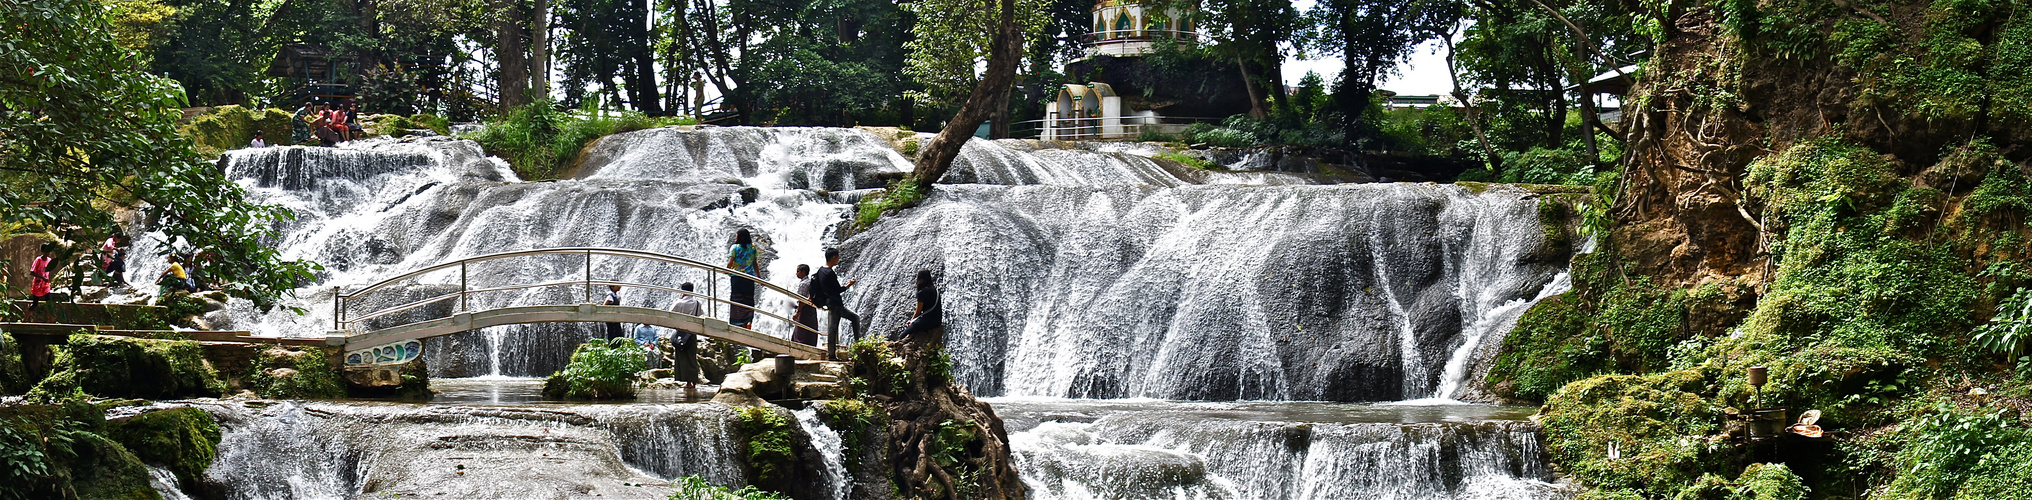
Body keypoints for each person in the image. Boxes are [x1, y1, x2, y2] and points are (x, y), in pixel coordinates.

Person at [811, 247, 862, 352]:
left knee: (851, 319)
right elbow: (838, 289)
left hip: (829, 303)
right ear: (833, 257)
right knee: (833, 329)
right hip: (835, 304)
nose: (838, 259)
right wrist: (849, 284)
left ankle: (857, 345)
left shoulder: (820, 270)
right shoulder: (830, 273)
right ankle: (833, 354)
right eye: (838, 257)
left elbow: (816, 286)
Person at [892, 270, 943, 342]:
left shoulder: (922, 293)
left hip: (928, 321)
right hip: (937, 321)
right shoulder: (935, 291)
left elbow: (918, 311)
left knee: (902, 336)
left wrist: (911, 321)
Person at [670, 282, 703, 388]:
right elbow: (699, 315)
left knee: (681, 357)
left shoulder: (679, 303)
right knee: (692, 356)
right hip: (692, 333)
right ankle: (693, 381)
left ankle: (686, 381)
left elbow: (670, 314)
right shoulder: (697, 303)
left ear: (682, 291)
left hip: (681, 333)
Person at [725, 228, 759, 329]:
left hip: (737, 278)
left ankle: (739, 323)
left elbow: (730, 263)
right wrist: (760, 278)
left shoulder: (735, 248)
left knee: (737, 301)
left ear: (739, 236)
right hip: (749, 278)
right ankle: (748, 321)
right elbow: (755, 264)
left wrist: (726, 270)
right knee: (749, 301)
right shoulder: (753, 248)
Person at [791, 264, 819, 346]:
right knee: (810, 331)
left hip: (804, 311)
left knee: (801, 332)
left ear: (803, 272)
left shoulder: (803, 284)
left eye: (798, 271)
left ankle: (799, 347)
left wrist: (798, 312)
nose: (796, 273)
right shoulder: (810, 282)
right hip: (812, 310)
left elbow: (801, 300)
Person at [27, 245, 55, 316]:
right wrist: (42, 277)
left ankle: (51, 322)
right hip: (38, 285)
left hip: (46, 286)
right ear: (42, 251)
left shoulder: (49, 260)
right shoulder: (38, 260)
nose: (48, 253)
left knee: (49, 303)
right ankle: (25, 320)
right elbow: (32, 272)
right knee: (35, 304)